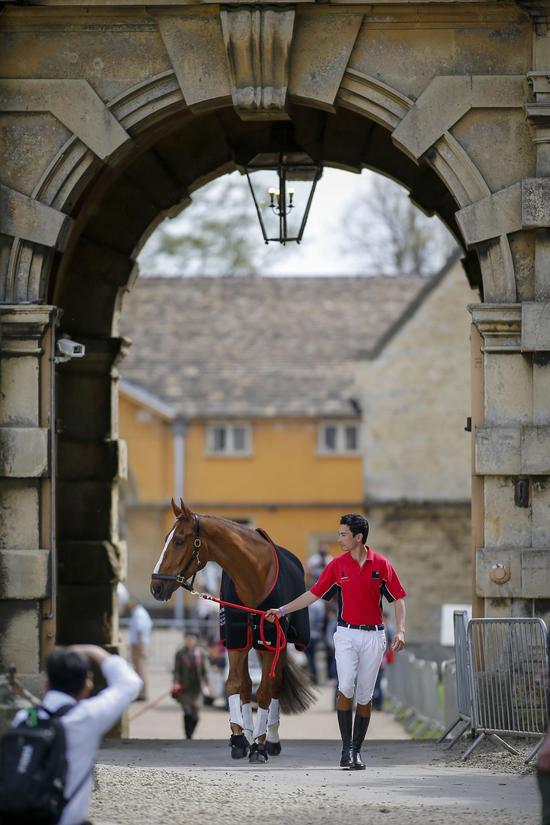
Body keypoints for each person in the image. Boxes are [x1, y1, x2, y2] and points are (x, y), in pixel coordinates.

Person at [266, 513, 406, 770]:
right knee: (346, 687)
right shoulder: (337, 565)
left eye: (343, 534)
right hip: (346, 635)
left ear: (358, 537)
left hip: (374, 636)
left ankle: (357, 751)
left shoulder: (382, 565)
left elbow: (398, 599)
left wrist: (400, 631)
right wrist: (282, 610)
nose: (339, 539)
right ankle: (346, 750)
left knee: (365, 695)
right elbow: (312, 594)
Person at [11, 644, 142, 825]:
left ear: (46, 685)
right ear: (86, 686)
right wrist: (92, 651)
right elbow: (130, 683)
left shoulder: (25, 717)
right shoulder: (86, 718)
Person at [172, 632, 208, 739]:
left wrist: (206, 684)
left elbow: (204, 670)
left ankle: (191, 730)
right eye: (187, 639)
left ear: (196, 640)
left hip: (197, 687)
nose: (189, 641)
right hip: (184, 687)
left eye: (192, 639)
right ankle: (188, 734)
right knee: (187, 711)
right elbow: (176, 670)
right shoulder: (180, 653)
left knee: (195, 714)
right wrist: (176, 683)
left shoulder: (201, 653)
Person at [127, 596, 152, 700]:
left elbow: (139, 629)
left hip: (138, 644)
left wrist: (138, 644)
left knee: (139, 669)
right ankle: (141, 693)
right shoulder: (141, 612)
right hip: (140, 643)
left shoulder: (139, 613)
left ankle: (142, 693)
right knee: (139, 669)